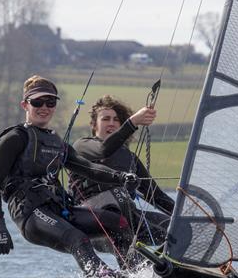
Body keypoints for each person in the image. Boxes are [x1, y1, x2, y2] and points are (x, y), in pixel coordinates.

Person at [0, 75, 149, 278]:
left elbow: (88, 167)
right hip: (30, 214)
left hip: (60, 209)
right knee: (77, 238)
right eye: (37, 102)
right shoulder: (15, 138)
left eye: (50, 102)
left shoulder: (57, 143)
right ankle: (99, 274)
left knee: (117, 223)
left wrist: (120, 177)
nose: (44, 107)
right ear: (25, 104)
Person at [68, 95, 174, 254]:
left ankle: (158, 269)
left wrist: (188, 217)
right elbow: (104, 149)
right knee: (117, 198)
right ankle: (134, 270)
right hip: (96, 220)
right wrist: (133, 122)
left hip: (129, 218)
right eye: (105, 119)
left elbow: (156, 196)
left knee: (178, 229)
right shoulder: (82, 145)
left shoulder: (129, 158)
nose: (111, 123)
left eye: (116, 119)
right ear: (94, 125)